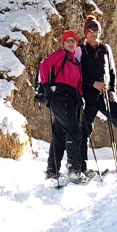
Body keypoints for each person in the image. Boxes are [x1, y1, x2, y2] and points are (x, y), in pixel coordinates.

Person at [77, 15, 117, 170]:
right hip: (89, 96)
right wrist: (92, 83)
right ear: (85, 33)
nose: (94, 33)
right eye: (91, 30)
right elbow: (76, 74)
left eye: (96, 30)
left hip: (106, 95)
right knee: (85, 130)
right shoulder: (80, 50)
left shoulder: (106, 49)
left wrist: (113, 90)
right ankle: (81, 167)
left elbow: (112, 71)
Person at [40, 29, 89, 183]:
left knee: (60, 134)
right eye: (67, 40)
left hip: (71, 98)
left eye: (73, 41)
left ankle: (52, 171)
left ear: (76, 44)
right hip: (60, 97)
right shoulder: (61, 54)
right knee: (74, 131)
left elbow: (78, 83)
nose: (70, 43)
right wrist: (45, 85)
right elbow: (44, 66)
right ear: (63, 43)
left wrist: (80, 97)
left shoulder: (75, 62)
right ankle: (74, 169)